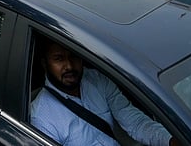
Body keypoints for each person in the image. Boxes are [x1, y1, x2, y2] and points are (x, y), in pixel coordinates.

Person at [31, 37, 178, 146]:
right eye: (59, 59)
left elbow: (135, 122)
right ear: (45, 64)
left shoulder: (97, 80)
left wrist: (170, 140)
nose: (69, 66)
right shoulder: (42, 118)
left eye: (73, 56)